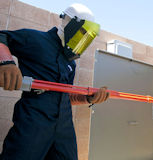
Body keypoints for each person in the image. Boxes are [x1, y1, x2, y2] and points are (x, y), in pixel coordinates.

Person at [0, 3, 109, 160]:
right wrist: (6, 62)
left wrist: (88, 98)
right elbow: (2, 37)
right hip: (34, 122)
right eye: (82, 31)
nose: (83, 37)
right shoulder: (35, 39)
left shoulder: (70, 62)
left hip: (64, 128)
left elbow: (66, 95)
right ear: (68, 22)